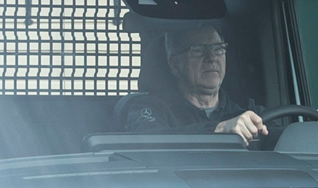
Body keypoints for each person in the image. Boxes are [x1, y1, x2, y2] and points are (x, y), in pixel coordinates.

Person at [113, 23, 270, 140]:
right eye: (198, 49)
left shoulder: (248, 110)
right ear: (175, 65)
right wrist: (218, 129)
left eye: (218, 48)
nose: (211, 58)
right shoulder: (150, 107)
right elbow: (148, 141)